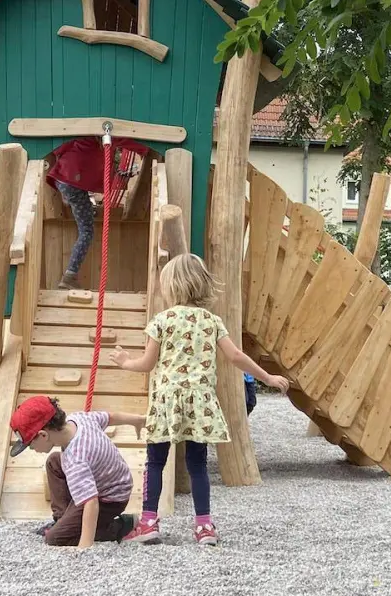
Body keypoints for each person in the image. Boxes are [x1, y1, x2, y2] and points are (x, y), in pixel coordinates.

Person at [109, 254, 289, 546]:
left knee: (155, 462)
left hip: (167, 400)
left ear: (171, 286)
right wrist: (268, 377)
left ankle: (148, 523)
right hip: (200, 401)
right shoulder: (212, 321)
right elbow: (236, 356)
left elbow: (147, 363)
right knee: (198, 464)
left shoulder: (162, 321)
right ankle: (204, 527)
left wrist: (125, 361)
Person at [8, 395, 143, 548]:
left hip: (110, 500)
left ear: (43, 435)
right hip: (116, 480)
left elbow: (91, 502)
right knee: (54, 462)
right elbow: (110, 417)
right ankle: (62, 520)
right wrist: (137, 420)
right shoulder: (78, 419)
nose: (32, 449)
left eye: (30, 445)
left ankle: (120, 527)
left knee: (55, 539)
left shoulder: (76, 459)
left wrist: (84, 546)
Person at [46, 136, 151, 290]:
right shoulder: (106, 136)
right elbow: (128, 141)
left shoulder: (77, 135)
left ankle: (83, 205)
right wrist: (147, 150)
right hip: (74, 182)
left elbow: (57, 148)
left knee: (82, 207)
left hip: (63, 179)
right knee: (86, 231)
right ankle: (70, 276)